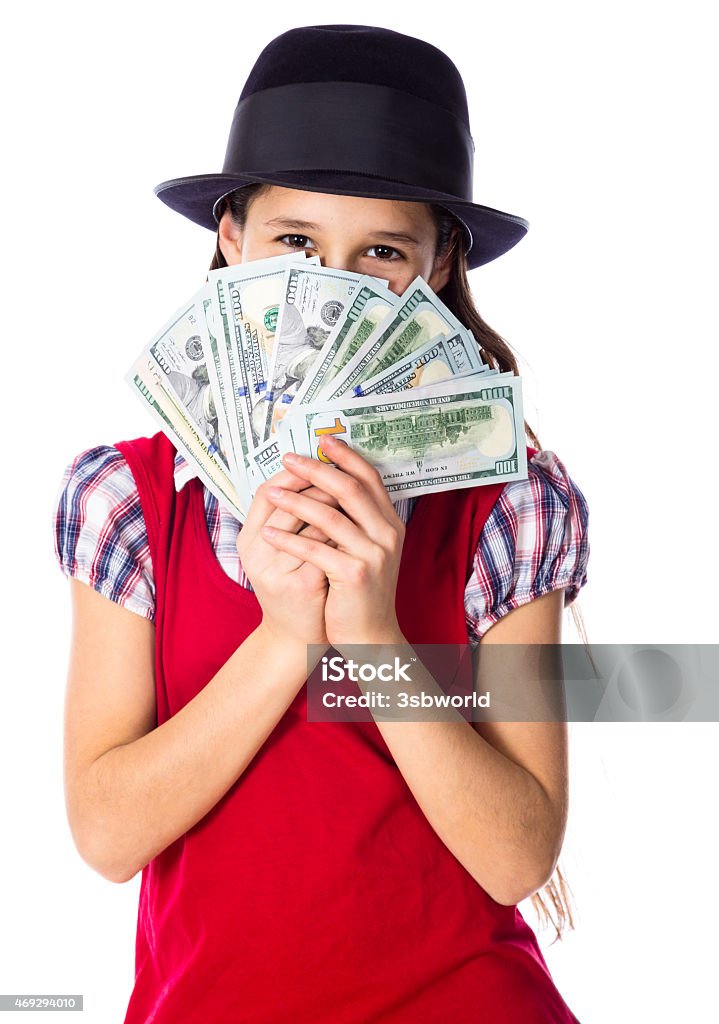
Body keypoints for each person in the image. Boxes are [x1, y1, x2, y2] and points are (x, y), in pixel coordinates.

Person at [52, 24, 590, 1024]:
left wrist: (374, 635)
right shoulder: (126, 501)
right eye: (295, 243)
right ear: (231, 240)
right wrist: (287, 634)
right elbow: (107, 833)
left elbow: (514, 855)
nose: (331, 288)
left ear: (435, 268)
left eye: (380, 252)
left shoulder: (508, 505)